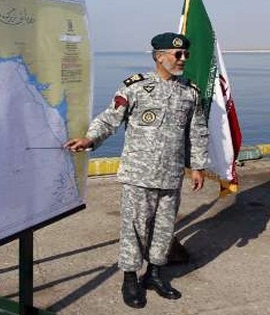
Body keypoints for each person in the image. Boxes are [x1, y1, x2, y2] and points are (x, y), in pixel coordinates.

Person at [64, 32, 209, 309]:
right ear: (159, 56)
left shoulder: (190, 91)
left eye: (186, 55)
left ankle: (154, 274)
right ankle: (130, 278)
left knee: (164, 228)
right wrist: (90, 139)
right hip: (138, 174)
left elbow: (197, 131)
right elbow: (110, 118)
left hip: (171, 174)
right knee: (134, 228)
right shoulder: (135, 87)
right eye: (177, 54)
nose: (183, 59)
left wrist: (198, 166)